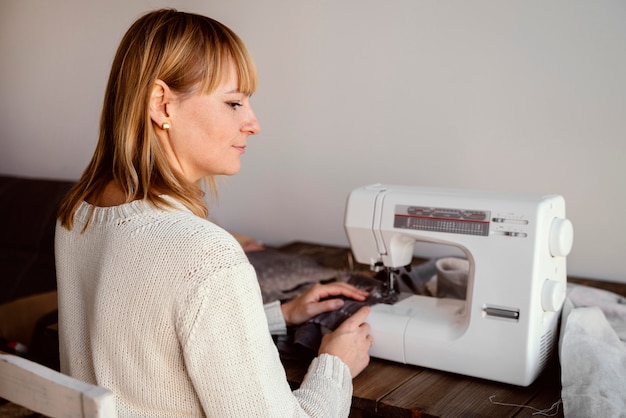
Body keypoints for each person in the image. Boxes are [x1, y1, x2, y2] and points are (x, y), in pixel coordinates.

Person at [55, 8, 373, 417]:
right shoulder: (205, 253)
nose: (253, 123)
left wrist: (279, 316)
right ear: (162, 105)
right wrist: (336, 366)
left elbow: (143, 338)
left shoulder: (78, 215)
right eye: (234, 103)